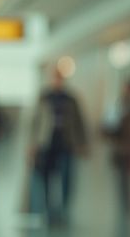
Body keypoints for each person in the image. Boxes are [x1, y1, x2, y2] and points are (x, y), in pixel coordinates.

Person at [28, 64, 88, 224]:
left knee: (66, 178)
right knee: (47, 178)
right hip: (46, 144)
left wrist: (82, 143)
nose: (57, 81)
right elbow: (35, 122)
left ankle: (64, 210)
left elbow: (79, 122)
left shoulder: (71, 99)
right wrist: (32, 144)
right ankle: (48, 211)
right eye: (55, 78)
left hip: (66, 144)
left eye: (60, 78)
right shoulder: (44, 97)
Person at [102, 78, 130, 214]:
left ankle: (127, 202)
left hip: (128, 147)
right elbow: (107, 128)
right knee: (121, 176)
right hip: (118, 147)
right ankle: (124, 202)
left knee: (126, 176)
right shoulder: (115, 106)